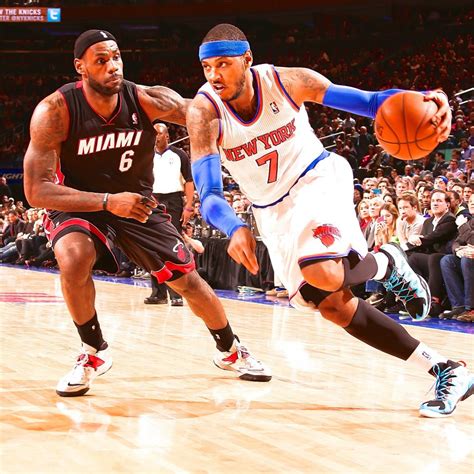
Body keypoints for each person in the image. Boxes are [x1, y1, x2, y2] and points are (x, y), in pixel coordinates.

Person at [186, 23, 473, 417]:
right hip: (271, 211)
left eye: (223, 64)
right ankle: (445, 369)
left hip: (316, 178)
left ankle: (386, 262)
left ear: (247, 59)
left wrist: (424, 98)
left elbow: (372, 102)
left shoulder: (287, 82)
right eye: (207, 67)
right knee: (331, 305)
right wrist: (234, 227)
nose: (214, 75)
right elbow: (209, 194)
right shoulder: (203, 111)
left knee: (321, 272)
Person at [23, 29, 271, 398]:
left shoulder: (145, 99)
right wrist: (107, 201)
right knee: (74, 257)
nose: (113, 66)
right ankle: (93, 350)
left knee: (187, 282)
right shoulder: (55, 111)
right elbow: (35, 191)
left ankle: (231, 349)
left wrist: (260, 113)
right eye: (101, 60)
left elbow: (203, 114)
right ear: (80, 67)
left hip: (137, 203)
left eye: (116, 57)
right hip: (80, 201)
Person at [144, 122, 194, 306]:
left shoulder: (179, 154)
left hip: (173, 200)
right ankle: (158, 293)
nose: (156, 137)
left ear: (167, 136)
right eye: (153, 134)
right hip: (152, 199)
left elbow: (189, 181)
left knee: (173, 246)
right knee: (152, 246)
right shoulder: (146, 155)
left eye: (159, 134)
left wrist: (188, 206)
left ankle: (176, 294)